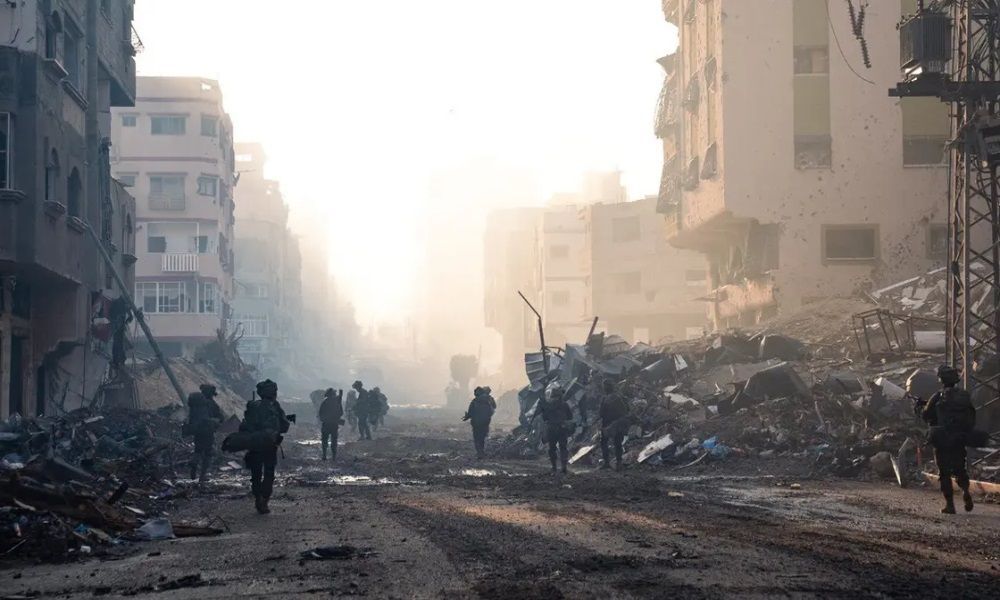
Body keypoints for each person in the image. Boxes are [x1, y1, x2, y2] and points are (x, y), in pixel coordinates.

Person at [921, 365, 977, 514]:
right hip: (958, 438)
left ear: (941, 380)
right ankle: (966, 491)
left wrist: (922, 408)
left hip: (942, 440)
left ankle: (950, 505)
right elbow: (971, 416)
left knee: (944, 473)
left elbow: (926, 415)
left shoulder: (938, 396)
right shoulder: (963, 396)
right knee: (960, 469)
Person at [241, 379, 290, 514]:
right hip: (269, 445)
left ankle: (258, 497)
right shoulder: (275, 406)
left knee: (256, 474)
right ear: (273, 393)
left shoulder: (253, 406)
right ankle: (264, 500)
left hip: (255, 444)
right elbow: (284, 426)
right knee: (269, 473)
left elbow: (245, 426)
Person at [186, 384, 224, 483]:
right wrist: (217, 421)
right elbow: (221, 417)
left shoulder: (195, 403)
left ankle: (194, 462)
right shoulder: (212, 404)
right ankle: (202, 476)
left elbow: (191, 417)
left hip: (197, 431)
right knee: (208, 453)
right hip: (208, 431)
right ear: (211, 393)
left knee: (198, 450)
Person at [540, 388, 574, 474]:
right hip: (562, 428)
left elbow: (544, 418)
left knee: (552, 448)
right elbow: (570, 417)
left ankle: (554, 467)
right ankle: (563, 467)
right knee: (563, 448)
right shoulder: (565, 404)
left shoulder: (548, 405)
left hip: (552, 429)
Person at [599, 380, 630, 471]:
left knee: (604, 442)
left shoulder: (606, 398)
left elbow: (601, 413)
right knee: (617, 443)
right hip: (617, 423)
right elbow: (627, 409)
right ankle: (618, 463)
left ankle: (607, 463)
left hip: (609, 423)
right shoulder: (619, 397)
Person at [463, 387, 496, 459]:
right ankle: (481, 452)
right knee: (482, 437)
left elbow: (470, 412)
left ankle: (479, 452)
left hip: (476, 423)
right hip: (485, 422)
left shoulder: (475, 401)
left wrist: (466, 417)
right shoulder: (489, 399)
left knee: (477, 437)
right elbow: (494, 407)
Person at [318, 388, 344, 461]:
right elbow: (341, 412)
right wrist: (336, 418)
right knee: (334, 441)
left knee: (324, 440)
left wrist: (325, 419)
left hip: (326, 424)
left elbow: (320, 414)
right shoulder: (336, 402)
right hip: (334, 424)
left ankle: (324, 455)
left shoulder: (324, 402)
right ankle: (333, 456)